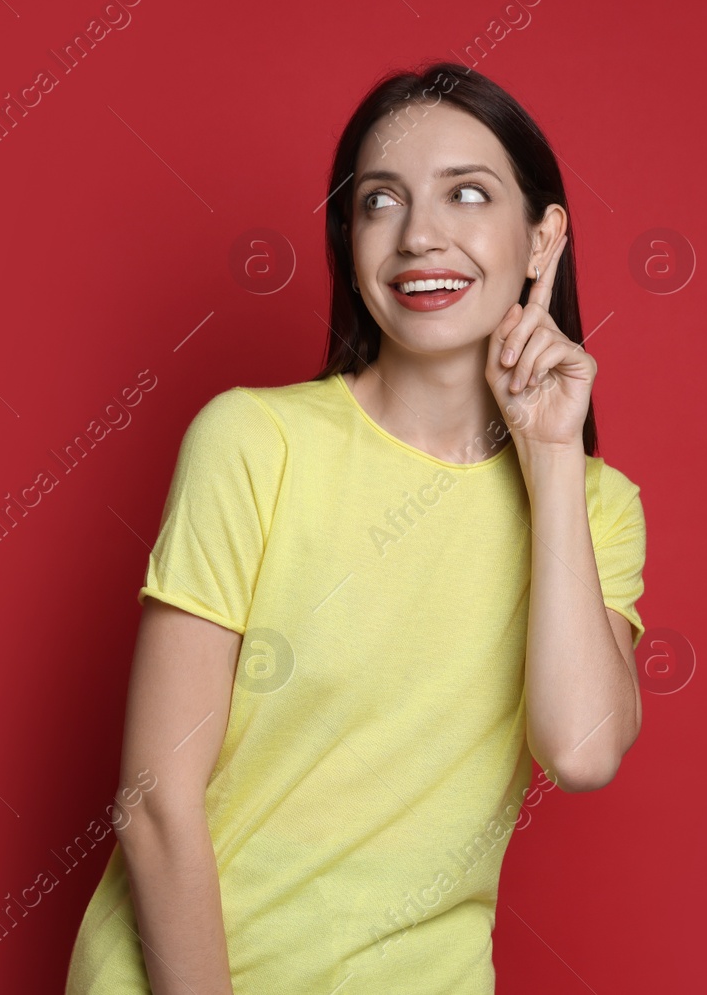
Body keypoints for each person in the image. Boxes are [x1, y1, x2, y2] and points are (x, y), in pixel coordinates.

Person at [63, 60, 647, 994]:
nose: (421, 236)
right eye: (382, 201)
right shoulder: (254, 442)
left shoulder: (596, 507)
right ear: (351, 235)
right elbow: (153, 803)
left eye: (467, 193)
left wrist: (549, 457)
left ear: (544, 240)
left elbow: (580, 749)